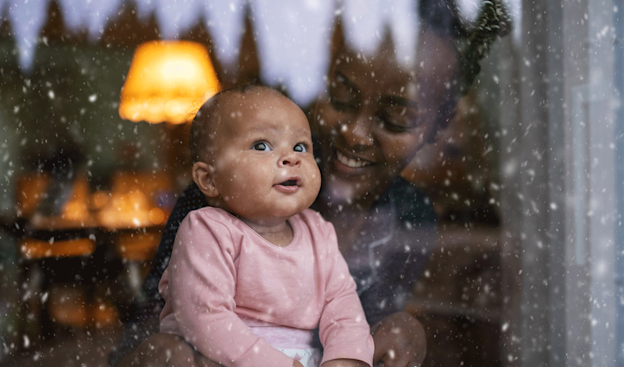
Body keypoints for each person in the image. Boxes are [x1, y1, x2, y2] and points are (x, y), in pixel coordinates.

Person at [111, 1, 509, 366]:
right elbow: (155, 332)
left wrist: (396, 335)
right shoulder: (221, 201)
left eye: (397, 119)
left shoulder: (406, 216)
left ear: (437, 127)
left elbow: (349, 320)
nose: (354, 132)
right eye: (341, 97)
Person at [158, 85, 373, 367]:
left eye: (300, 147)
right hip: (222, 358)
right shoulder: (207, 229)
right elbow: (205, 317)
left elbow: (343, 306)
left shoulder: (318, 231)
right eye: (262, 146)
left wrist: (345, 358)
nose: (291, 158)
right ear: (210, 180)